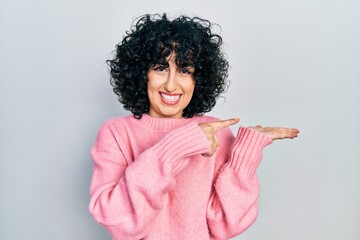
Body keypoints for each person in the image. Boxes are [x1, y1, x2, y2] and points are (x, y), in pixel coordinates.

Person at [89, 13, 299, 240]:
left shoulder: (214, 131)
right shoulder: (116, 133)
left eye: (184, 70)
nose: (171, 85)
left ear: (198, 78)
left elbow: (226, 226)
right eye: (160, 68)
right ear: (142, 74)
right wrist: (178, 146)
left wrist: (244, 156)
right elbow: (119, 222)